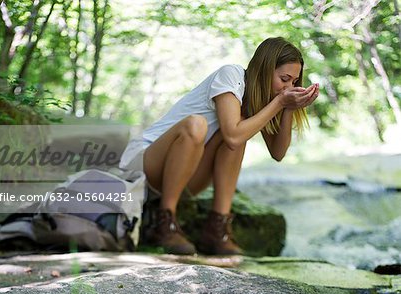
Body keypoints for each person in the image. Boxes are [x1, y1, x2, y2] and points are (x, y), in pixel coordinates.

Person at [119, 37, 319, 255]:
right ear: (264, 69)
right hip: (145, 162)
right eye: (284, 79)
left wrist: (288, 109)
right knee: (198, 125)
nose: (288, 87)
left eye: (294, 83)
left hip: (185, 175)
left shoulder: (265, 101)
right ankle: (165, 223)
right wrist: (280, 102)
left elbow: (278, 153)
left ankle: (217, 229)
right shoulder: (231, 75)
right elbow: (232, 135)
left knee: (238, 133)